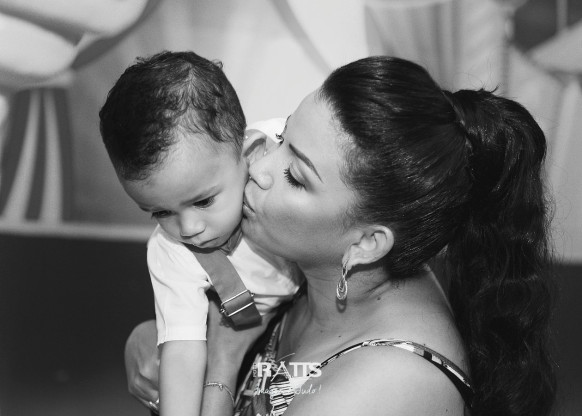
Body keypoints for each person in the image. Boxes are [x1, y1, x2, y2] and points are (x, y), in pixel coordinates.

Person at [125, 56, 556, 416]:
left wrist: (222, 361)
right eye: (282, 137)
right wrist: (156, 336)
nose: (256, 166)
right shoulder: (318, 259)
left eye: (295, 177)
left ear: (366, 244)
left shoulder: (383, 388)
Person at [99, 51, 301, 416]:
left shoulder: (292, 155)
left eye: (204, 201)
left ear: (251, 154)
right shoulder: (170, 251)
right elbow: (182, 350)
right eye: (161, 212)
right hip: (248, 351)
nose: (189, 229)